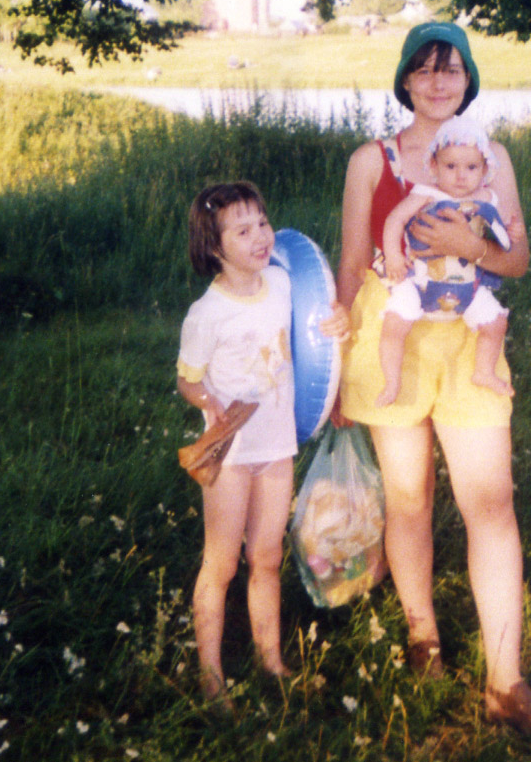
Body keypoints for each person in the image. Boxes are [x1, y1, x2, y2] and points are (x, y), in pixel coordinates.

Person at [335, 21, 531, 738]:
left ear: (468, 80)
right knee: (408, 499)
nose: (438, 81)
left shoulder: (492, 157)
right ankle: (423, 638)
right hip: (392, 340)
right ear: (405, 80)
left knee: (491, 503)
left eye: (452, 69)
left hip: (469, 341)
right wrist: (335, 371)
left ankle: (506, 679)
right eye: (425, 69)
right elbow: (351, 264)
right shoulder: (371, 160)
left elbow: (516, 259)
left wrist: (471, 244)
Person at [178, 181, 349, 699]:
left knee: (268, 556)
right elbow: (187, 379)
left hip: (276, 446)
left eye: (263, 223)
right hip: (231, 454)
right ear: (214, 247)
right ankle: (210, 676)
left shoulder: (281, 284)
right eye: (243, 231)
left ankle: (270, 660)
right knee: (222, 562)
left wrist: (337, 327)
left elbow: (313, 336)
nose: (260, 237)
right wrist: (208, 402)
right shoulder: (207, 313)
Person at [379, 114, 513, 403]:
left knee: (496, 323)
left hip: (469, 285)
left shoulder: (486, 200)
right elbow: (394, 220)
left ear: (485, 169)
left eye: (471, 167)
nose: (461, 175)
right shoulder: (426, 194)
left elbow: (500, 236)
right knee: (393, 323)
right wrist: (393, 256)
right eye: (450, 166)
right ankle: (391, 381)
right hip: (419, 279)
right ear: (434, 166)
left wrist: (512, 232)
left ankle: (484, 371)